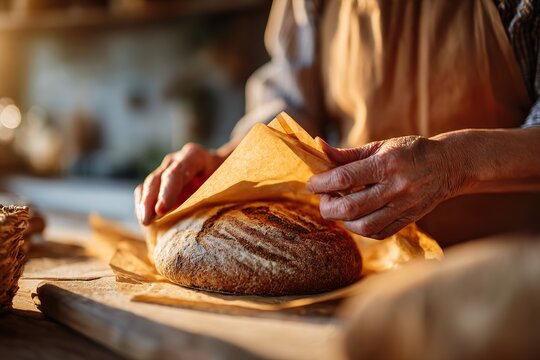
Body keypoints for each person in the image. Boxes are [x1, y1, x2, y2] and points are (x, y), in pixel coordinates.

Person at [135, 0, 540, 246]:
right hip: (369, 275)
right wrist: (226, 161)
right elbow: (292, 104)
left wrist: (455, 164)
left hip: (512, 276)